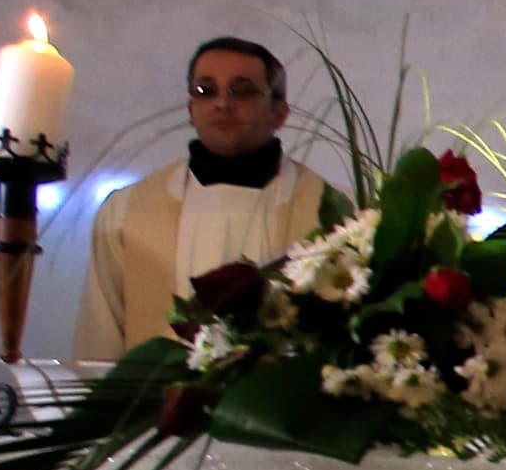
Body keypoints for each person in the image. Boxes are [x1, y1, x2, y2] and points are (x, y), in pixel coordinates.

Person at [73, 37, 335, 364]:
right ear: (191, 110)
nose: (222, 103)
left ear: (278, 113)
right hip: (150, 396)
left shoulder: (331, 215)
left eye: (242, 91)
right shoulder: (126, 211)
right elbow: (99, 339)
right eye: (205, 90)